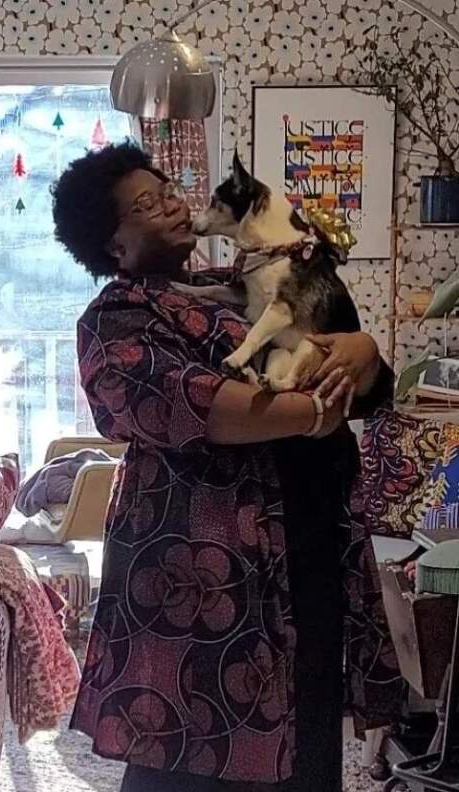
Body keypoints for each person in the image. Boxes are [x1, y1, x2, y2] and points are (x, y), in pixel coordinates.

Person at [51, 143, 400, 792]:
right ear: (115, 247)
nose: (174, 204)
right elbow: (199, 406)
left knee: (306, 752)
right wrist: (317, 411)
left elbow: (365, 381)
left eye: (168, 188)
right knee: (190, 761)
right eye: (146, 204)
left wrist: (363, 349)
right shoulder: (119, 317)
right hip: (203, 594)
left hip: (310, 557)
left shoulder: (251, 286)